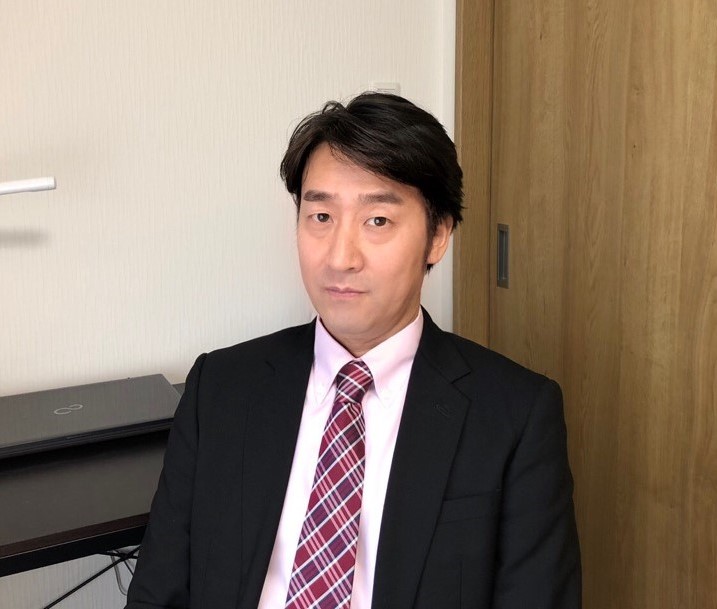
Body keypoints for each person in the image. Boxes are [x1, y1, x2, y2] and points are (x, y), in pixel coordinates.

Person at [125, 93, 581, 609]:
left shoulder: (517, 415)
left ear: (438, 236)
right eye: (320, 216)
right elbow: (156, 595)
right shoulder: (220, 388)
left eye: (377, 221)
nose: (340, 258)